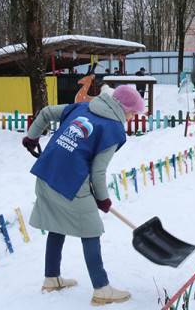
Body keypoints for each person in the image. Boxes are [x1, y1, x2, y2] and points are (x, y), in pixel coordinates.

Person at [21, 85, 145, 305]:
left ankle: (52, 278)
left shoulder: (82, 107)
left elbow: (47, 111)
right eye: (133, 112)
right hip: (70, 182)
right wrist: (103, 199)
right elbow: (98, 171)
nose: (132, 117)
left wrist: (32, 137)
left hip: (46, 172)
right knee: (91, 231)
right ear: (124, 108)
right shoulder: (113, 130)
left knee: (56, 224)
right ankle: (102, 288)